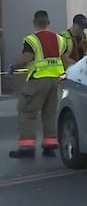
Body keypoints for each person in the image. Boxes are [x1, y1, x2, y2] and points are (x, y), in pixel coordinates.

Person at [6, 10, 72, 158]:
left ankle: (27, 148)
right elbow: (65, 60)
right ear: (48, 23)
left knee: (27, 112)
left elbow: (27, 57)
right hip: (56, 81)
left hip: (38, 80)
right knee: (50, 113)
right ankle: (49, 145)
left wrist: (13, 67)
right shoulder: (60, 39)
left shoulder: (31, 40)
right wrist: (65, 75)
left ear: (34, 22)